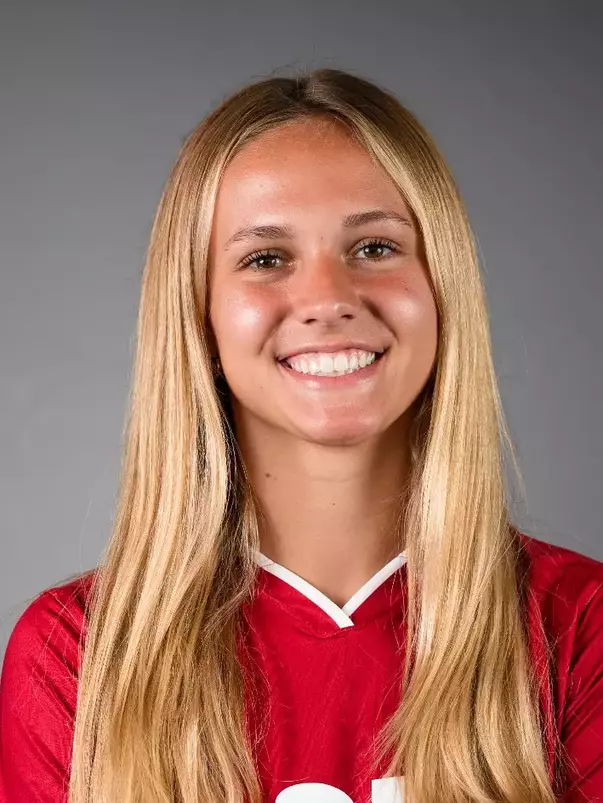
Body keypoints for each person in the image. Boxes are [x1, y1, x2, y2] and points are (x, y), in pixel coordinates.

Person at [0, 68, 602, 803]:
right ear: (200, 315)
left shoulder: (578, 629)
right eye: (265, 259)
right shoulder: (78, 656)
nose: (327, 298)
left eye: (374, 247)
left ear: (442, 286)